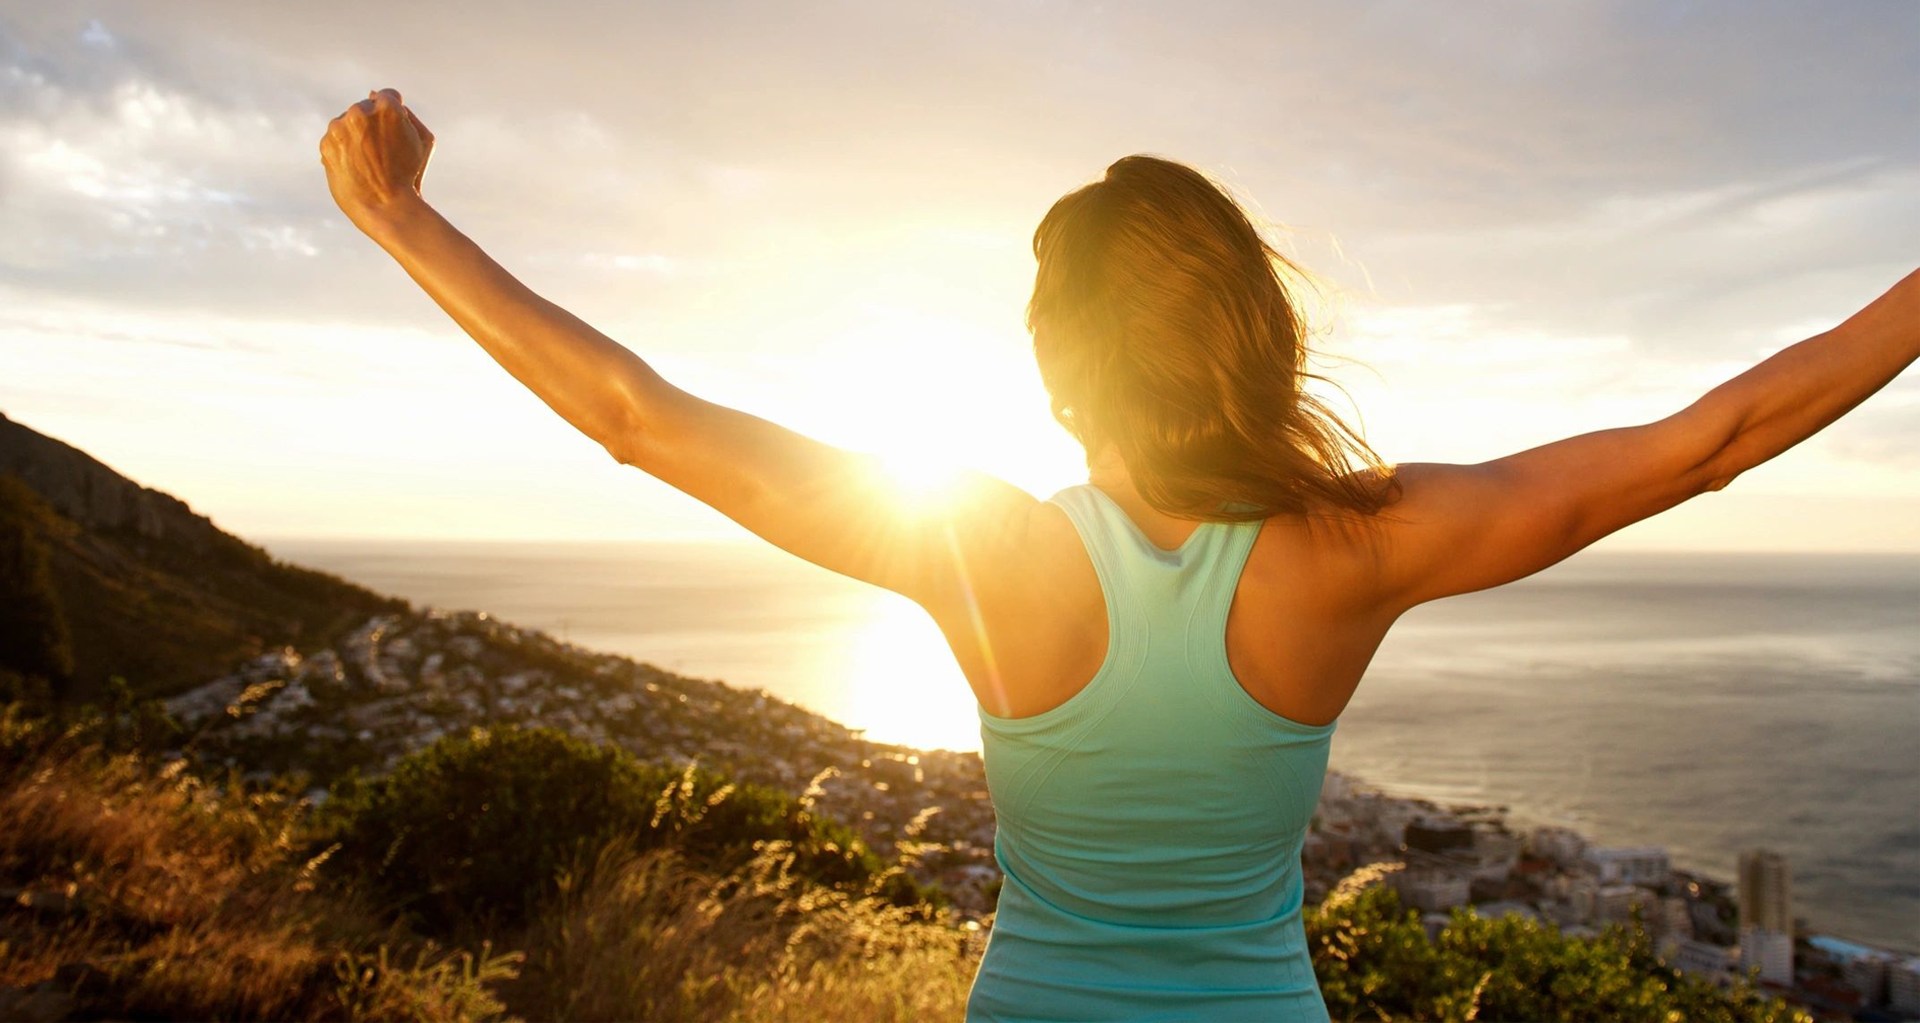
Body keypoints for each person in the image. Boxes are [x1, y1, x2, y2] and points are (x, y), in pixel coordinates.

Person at [321, 88, 1918, 1021]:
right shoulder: (1352, 550)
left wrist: (401, 224)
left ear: (1058, 359)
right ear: (1255, 332)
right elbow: (1717, 436)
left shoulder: (985, 551)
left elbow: (636, 417)